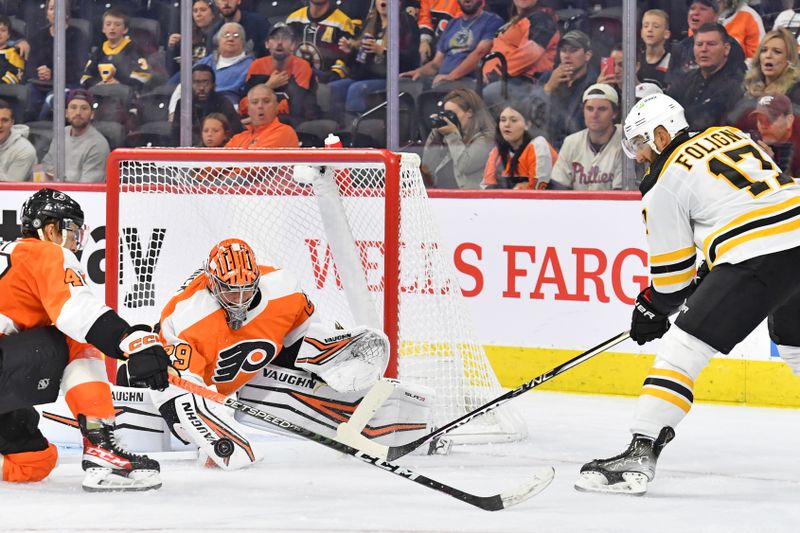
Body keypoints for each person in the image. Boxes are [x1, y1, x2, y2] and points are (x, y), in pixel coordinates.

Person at [575, 93, 800, 496]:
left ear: (661, 134)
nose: (641, 156)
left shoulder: (664, 182)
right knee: (796, 344)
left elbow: (673, 276)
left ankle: (640, 451)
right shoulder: (731, 135)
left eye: (642, 144)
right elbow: (753, 200)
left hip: (758, 254)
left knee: (684, 349)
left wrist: (653, 308)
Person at [147, 238, 392, 469]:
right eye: (231, 291)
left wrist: (327, 357)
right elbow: (182, 386)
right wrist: (215, 420)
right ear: (212, 283)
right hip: (191, 386)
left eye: (247, 289)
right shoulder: (185, 316)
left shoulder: (283, 288)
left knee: (311, 353)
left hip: (252, 366)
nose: (240, 301)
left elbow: (303, 336)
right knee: (186, 426)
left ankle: (351, 406)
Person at [0, 188, 171, 491]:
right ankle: (101, 445)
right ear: (51, 228)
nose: (74, 242)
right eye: (72, 231)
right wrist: (129, 340)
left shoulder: (12, 254)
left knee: (34, 461)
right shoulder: (47, 252)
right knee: (76, 339)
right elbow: (77, 313)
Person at [331, 0, 419, 118]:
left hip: (391, 79)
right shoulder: (370, 22)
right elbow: (356, 65)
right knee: (333, 88)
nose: (383, 2)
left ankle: (356, 130)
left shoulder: (407, 23)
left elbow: (411, 60)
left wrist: (383, 51)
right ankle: (336, 127)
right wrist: (350, 51)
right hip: (365, 77)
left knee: (356, 89)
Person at [401, 0, 503, 90]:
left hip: (468, 80)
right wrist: (418, 72)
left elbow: (479, 53)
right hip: (441, 79)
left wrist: (452, 76)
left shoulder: (492, 21)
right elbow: (436, 64)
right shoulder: (451, 24)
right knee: (403, 84)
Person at [481, 0, 559, 110]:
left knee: (486, 94)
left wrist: (496, 73)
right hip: (499, 79)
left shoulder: (542, 19)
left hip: (524, 82)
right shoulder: (518, 19)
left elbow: (530, 54)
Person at [668, 23, 744, 131]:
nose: (704, 49)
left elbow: (706, 121)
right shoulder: (686, 79)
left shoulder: (736, 84)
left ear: (726, 49)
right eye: (699, 44)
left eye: (711, 44)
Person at [241, 23, 318, 126]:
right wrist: (268, 86)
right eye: (275, 38)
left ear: (293, 45)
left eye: (285, 38)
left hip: (290, 123)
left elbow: (297, 107)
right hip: (256, 121)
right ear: (267, 44)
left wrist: (259, 109)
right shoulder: (257, 66)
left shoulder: (302, 66)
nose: (280, 42)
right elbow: (244, 105)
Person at [23, 0, 90, 121]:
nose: (54, 12)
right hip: (40, 84)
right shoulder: (39, 36)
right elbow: (30, 64)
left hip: (67, 83)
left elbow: (79, 68)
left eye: (59, 9)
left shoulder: (78, 36)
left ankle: (42, 130)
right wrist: (39, 72)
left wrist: (52, 73)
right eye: (51, 9)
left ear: (67, 14)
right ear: (47, 13)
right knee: (25, 95)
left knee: (52, 99)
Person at [549, 84, 623, 190]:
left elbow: (621, 196)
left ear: (615, 113)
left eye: (602, 109)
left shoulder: (625, 142)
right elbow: (558, 187)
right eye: (589, 109)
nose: (594, 115)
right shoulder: (571, 142)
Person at [421, 88, 495, 189]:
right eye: (445, 114)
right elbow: (427, 168)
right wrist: (436, 134)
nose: (449, 119)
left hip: (470, 201)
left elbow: (465, 166)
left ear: (470, 112)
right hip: (443, 199)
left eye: (451, 114)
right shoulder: (452, 137)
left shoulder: (488, 139)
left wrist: (452, 135)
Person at [665, 0, 746, 92]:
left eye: (703, 9)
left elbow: (737, 85)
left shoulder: (731, 47)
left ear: (716, 16)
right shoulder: (680, 48)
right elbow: (671, 86)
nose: (695, 13)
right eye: (692, 8)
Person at [537, 30, 597, 150]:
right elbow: (530, 114)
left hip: (578, 149)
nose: (566, 55)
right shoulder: (548, 78)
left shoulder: (594, 84)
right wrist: (548, 88)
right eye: (563, 50)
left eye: (573, 50)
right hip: (546, 146)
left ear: (587, 55)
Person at [481, 102, 557, 190]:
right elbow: (487, 188)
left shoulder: (539, 145)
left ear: (527, 125)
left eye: (513, 120)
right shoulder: (497, 152)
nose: (507, 125)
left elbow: (538, 191)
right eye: (503, 120)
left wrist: (519, 189)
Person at [41, 89, 110, 183]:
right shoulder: (61, 134)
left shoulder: (98, 145)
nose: (78, 112)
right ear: (66, 113)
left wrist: (57, 179)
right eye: (73, 107)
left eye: (84, 108)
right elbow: (47, 164)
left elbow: (87, 188)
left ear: (92, 114)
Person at [169, 64, 243, 146]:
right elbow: (175, 136)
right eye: (197, 82)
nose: (201, 88)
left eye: (205, 82)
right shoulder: (183, 104)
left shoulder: (223, 103)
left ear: (213, 85)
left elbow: (236, 133)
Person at [79, 8, 152, 91]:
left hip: (125, 96)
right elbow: (85, 77)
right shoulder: (98, 51)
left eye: (117, 25)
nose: (112, 28)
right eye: (108, 24)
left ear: (125, 29)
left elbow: (144, 77)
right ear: (103, 29)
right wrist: (97, 83)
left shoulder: (135, 50)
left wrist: (119, 84)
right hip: (100, 94)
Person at [286, 0, 357, 84]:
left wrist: (323, 78)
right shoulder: (293, 19)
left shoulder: (343, 23)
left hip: (327, 83)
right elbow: (284, 54)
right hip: (294, 78)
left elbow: (345, 63)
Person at [192, 22, 254, 105]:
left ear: (243, 42)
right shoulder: (206, 62)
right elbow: (183, 86)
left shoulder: (251, 65)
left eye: (236, 36)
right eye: (226, 35)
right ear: (218, 40)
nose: (231, 39)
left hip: (231, 109)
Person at [225, 84, 299, 148]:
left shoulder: (284, 132)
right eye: (255, 102)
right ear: (248, 110)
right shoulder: (238, 138)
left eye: (266, 101)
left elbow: (255, 160)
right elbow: (222, 160)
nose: (260, 106)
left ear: (276, 107)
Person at [743, 28, 800, 105]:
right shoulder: (748, 86)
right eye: (764, 50)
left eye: (777, 52)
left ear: (790, 59)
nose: (768, 55)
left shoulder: (796, 93)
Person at [165, 0, 220, 78]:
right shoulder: (188, 36)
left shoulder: (219, 35)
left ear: (213, 14)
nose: (198, 14)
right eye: (195, 11)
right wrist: (171, 48)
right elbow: (170, 70)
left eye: (203, 10)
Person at [751, 93, 800, 179]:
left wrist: (771, 165)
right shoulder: (754, 140)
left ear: (789, 120)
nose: (763, 126)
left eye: (770, 119)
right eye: (760, 120)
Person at [0, 99, 36, 182]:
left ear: (12, 123)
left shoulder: (25, 150)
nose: (0, 125)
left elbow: (10, 188)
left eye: (4, 120)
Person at [417, 0, 463, 64]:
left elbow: (461, 23)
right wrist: (424, 41)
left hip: (455, 45)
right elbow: (425, 18)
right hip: (433, 43)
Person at [637, 9, 671, 89]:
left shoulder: (672, 62)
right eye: (646, 26)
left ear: (666, 34)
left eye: (656, 26)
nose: (649, 30)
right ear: (641, 32)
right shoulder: (635, 61)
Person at [0, 14, 24, 85]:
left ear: (8, 35)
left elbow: (16, 74)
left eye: (3, 30)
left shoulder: (15, 52)